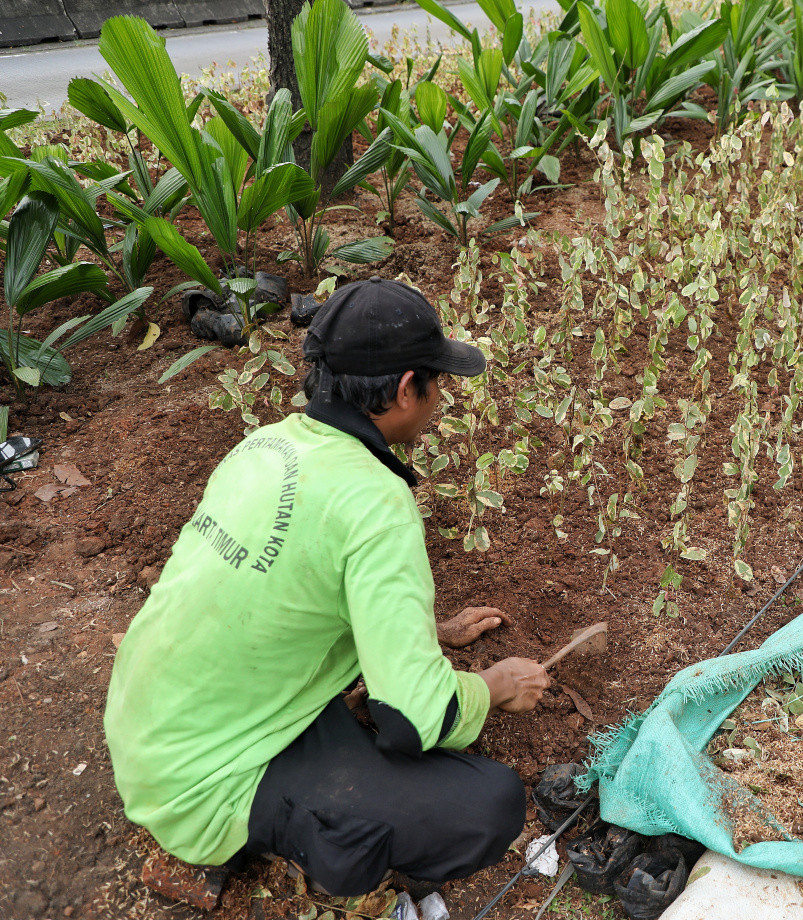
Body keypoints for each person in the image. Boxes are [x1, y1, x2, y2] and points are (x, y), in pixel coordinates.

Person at [104, 277, 550, 904]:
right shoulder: (376, 501)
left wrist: (428, 631)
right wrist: (495, 687)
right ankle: (320, 867)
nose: (440, 399)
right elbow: (412, 721)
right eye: (438, 382)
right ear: (404, 390)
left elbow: (281, 586)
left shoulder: (264, 444)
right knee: (487, 804)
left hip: (145, 721)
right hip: (196, 788)